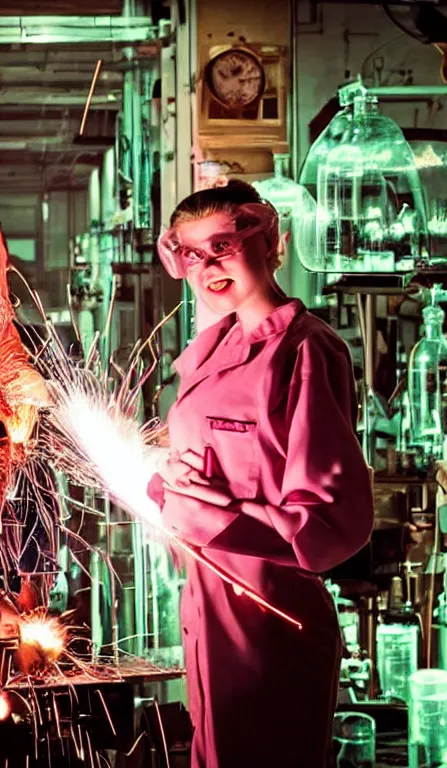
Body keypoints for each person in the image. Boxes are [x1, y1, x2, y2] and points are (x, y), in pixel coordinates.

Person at [148, 179, 373, 768]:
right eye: (191, 254)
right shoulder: (210, 348)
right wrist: (159, 483)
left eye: (223, 245)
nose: (207, 266)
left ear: (269, 240)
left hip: (271, 623)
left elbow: (328, 523)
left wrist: (214, 517)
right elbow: (203, 477)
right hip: (206, 616)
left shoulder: (304, 351)